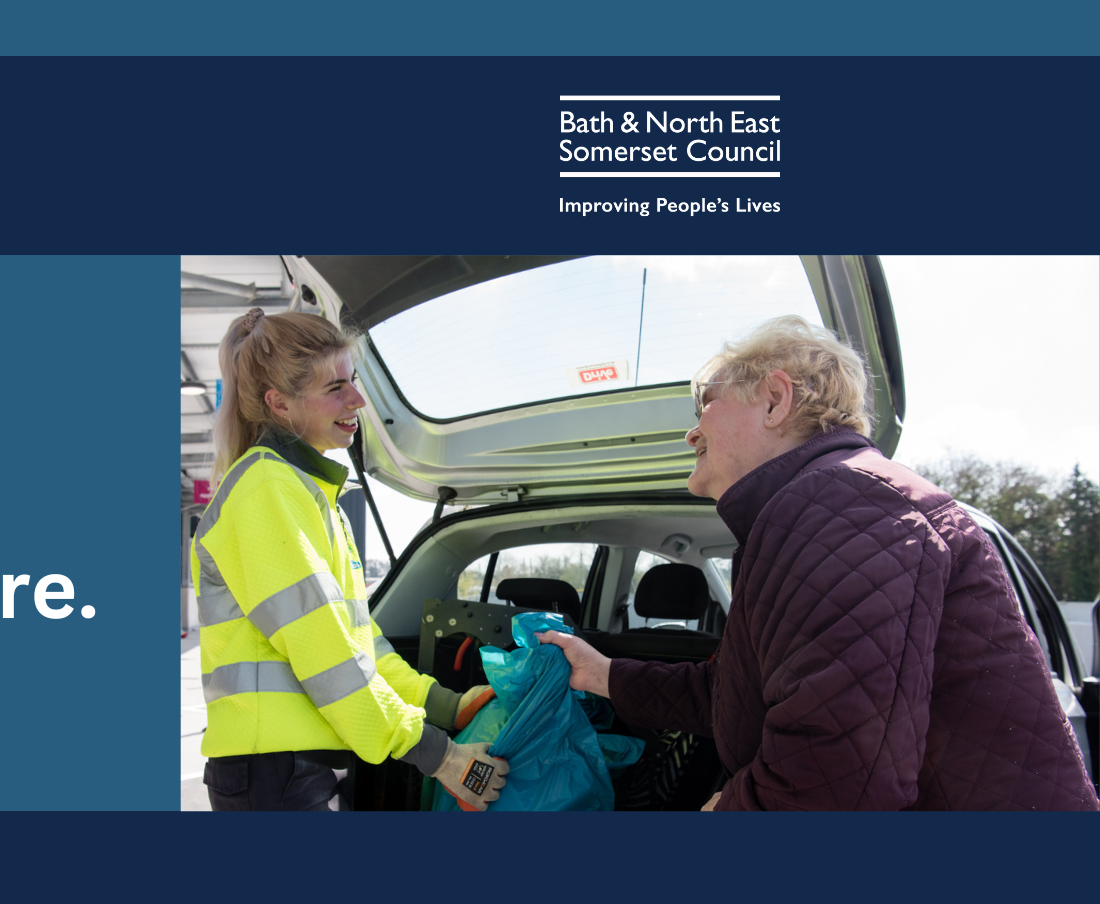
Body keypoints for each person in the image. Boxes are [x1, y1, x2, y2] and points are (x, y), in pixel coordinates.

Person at [535, 316, 1098, 811]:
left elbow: (836, 780)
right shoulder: (826, 504)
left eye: (706, 402)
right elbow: (735, 694)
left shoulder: (843, 504)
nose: (691, 431)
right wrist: (601, 673)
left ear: (776, 400)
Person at [194, 308, 508, 810]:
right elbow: (326, 653)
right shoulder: (266, 489)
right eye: (335, 387)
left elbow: (360, 644)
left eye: (354, 380)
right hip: (273, 769)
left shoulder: (309, 495)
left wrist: (444, 704)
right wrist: (440, 756)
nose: (358, 400)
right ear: (279, 404)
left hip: (298, 764)